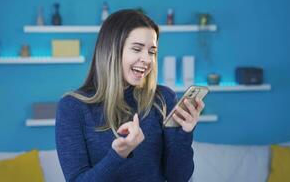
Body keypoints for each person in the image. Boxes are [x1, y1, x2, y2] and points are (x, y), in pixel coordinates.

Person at [55, 9, 205, 182]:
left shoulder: (163, 99)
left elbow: (178, 177)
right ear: (111, 50)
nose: (147, 59)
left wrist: (184, 134)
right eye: (137, 49)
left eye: (152, 51)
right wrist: (119, 155)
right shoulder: (72, 107)